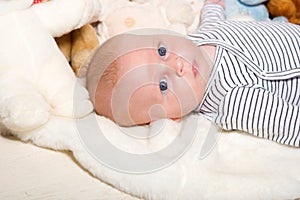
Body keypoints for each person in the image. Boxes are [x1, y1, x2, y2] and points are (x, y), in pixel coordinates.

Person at [86, 0, 300, 147]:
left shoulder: (196, 40)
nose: (178, 65)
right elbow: (290, 123)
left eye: (162, 52)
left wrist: (213, 6)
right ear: (173, 117)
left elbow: (215, 23)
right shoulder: (232, 100)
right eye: (163, 85)